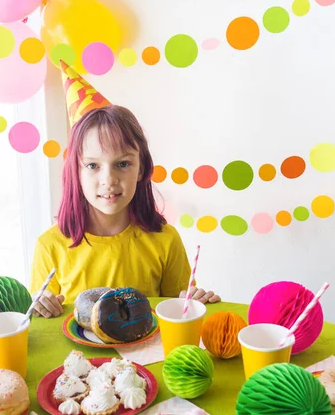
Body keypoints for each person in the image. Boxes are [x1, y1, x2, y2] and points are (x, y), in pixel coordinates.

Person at [30, 105, 220, 318]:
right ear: (76, 171)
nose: (109, 180)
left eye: (122, 163)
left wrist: (195, 301)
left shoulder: (165, 240)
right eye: (93, 166)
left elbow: (180, 312)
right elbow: (42, 320)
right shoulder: (50, 246)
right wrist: (42, 305)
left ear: (141, 169)